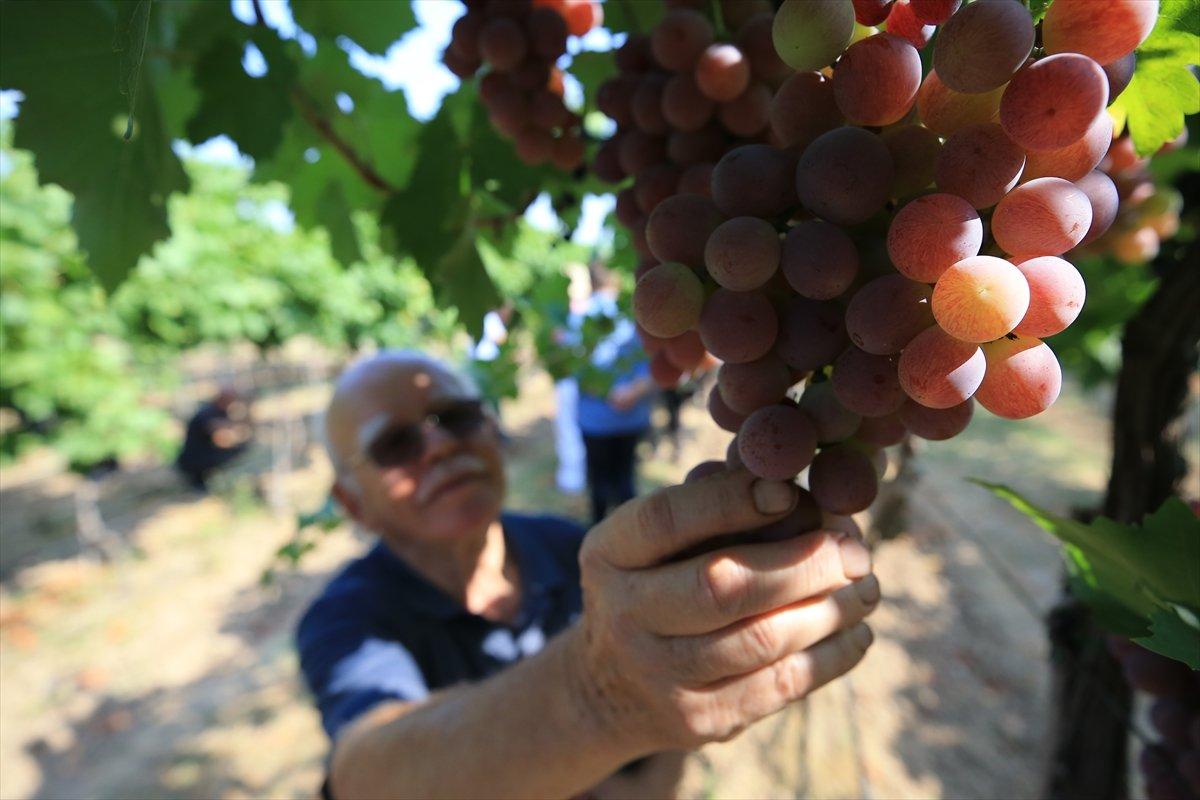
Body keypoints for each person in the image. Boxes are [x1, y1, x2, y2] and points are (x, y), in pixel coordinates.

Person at [298, 350, 880, 800]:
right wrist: (599, 697)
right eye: (395, 444)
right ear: (351, 503)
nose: (441, 445)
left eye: (457, 417)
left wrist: (665, 730)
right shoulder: (345, 620)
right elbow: (367, 777)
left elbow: (660, 750)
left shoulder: (564, 544)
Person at [574, 261, 655, 523]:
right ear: (614, 280)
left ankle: (597, 537)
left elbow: (572, 368)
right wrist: (631, 392)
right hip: (631, 418)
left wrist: (608, 392)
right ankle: (633, 537)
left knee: (599, 482)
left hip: (595, 421)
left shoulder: (579, 318)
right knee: (625, 479)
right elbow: (654, 364)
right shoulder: (636, 315)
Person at [174, 387, 252, 491]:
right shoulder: (207, 412)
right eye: (230, 399)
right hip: (194, 460)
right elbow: (219, 435)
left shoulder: (219, 411)